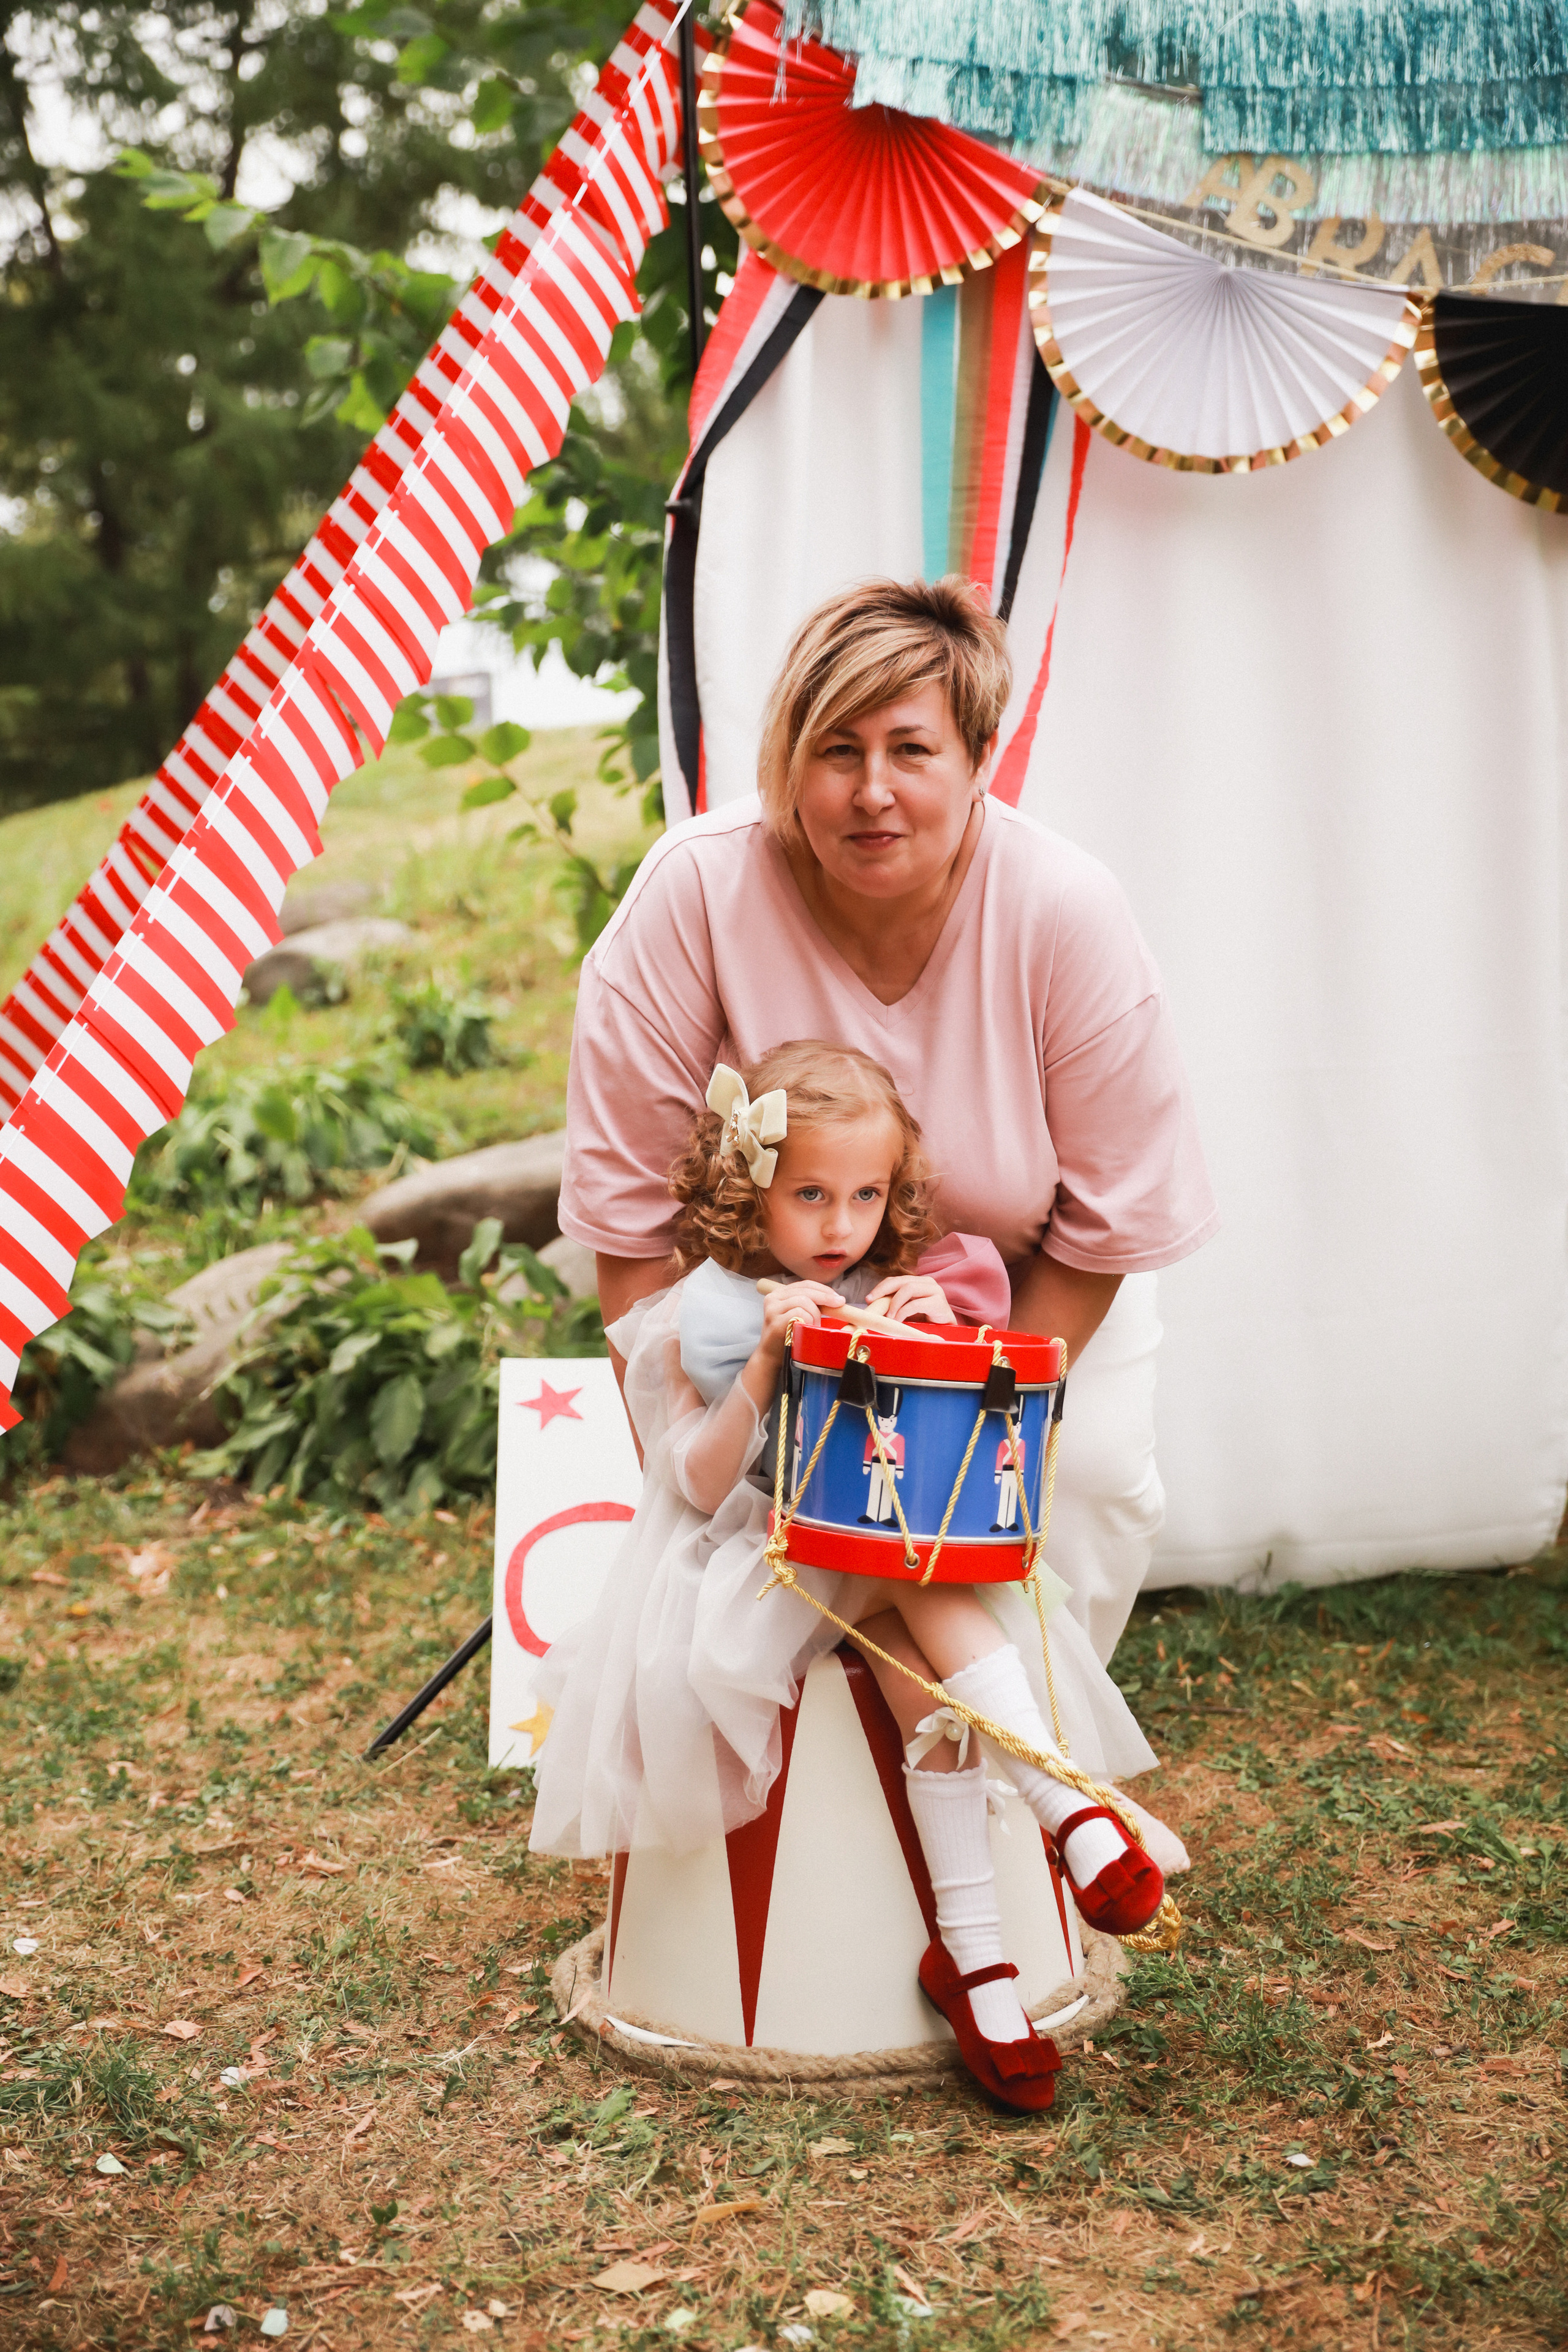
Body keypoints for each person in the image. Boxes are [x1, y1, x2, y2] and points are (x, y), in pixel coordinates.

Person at [559, 576, 1219, 1665]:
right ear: (786, 760)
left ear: (978, 758)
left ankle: (1029, 1780)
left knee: (1089, 1485)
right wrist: (682, 1456)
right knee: (746, 1543)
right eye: (836, 750)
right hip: (772, 1317)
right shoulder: (694, 892)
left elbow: (1110, 1215)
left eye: (911, 751)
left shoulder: (1065, 907)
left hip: (1022, 1297)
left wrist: (966, 1406)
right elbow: (629, 1226)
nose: (873, 791)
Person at [532, 1042, 1170, 2111]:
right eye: (812, 1195)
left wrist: (940, 1338)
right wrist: (769, 1372)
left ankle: (976, 1963)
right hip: (751, 1563)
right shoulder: (719, 1309)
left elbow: (931, 1461)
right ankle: (1063, 1810)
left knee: (915, 1626)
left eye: (865, 1195)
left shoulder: (890, 1283)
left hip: (868, 1563)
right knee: (911, 1584)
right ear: (751, 1191)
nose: (840, 1226)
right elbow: (692, 1481)